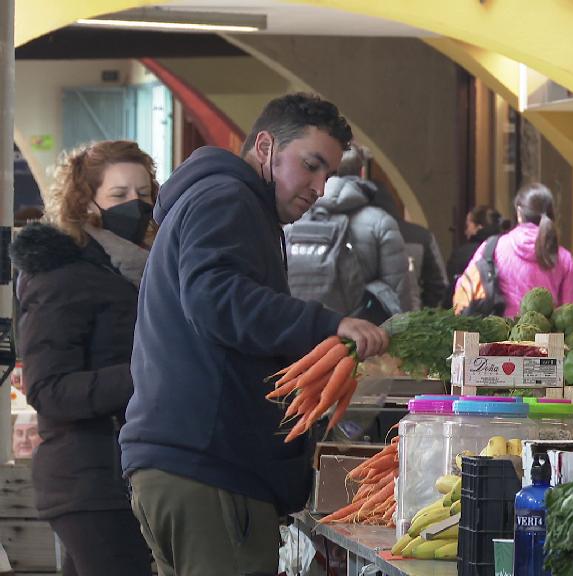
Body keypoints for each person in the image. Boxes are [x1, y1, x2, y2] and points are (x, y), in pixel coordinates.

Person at [119, 93, 389, 575]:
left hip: (181, 465)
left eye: (327, 175)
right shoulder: (229, 199)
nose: (319, 188)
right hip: (210, 470)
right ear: (265, 146)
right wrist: (326, 324)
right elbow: (215, 299)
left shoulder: (220, 202)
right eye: (310, 166)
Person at [11, 140, 158, 575]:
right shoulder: (61, 274)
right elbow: (48, 389)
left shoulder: (137, 269)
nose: (136, 205)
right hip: (88, 478)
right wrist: (148, 375)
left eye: (145, 194)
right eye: (119, 195)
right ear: (84, 199)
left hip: (122, 473)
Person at [285, 145, 410, 324]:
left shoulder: (294, 219)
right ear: (362, 170)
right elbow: (398, 295)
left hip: (299, 330)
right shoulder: (381, 222)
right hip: (359, 339)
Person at [452, 182, 573, 327]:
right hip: (547, 346)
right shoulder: (562, 257)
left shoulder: (493, 248)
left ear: (519, 212)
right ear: (551, 212)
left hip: (498, 342)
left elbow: (463, 289)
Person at [370, 182, 448, 309]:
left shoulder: (359, 236)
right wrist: (423, 315)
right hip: (412, 321)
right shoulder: (422, 236)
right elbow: (439, 285)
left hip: (370, 323)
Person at [443, 205, 506, 307]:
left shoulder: (463, 253)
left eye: (468, 225)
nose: (465, 231)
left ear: (478, 226)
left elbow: (452, 288)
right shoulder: (507, 249)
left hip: (473, 310)